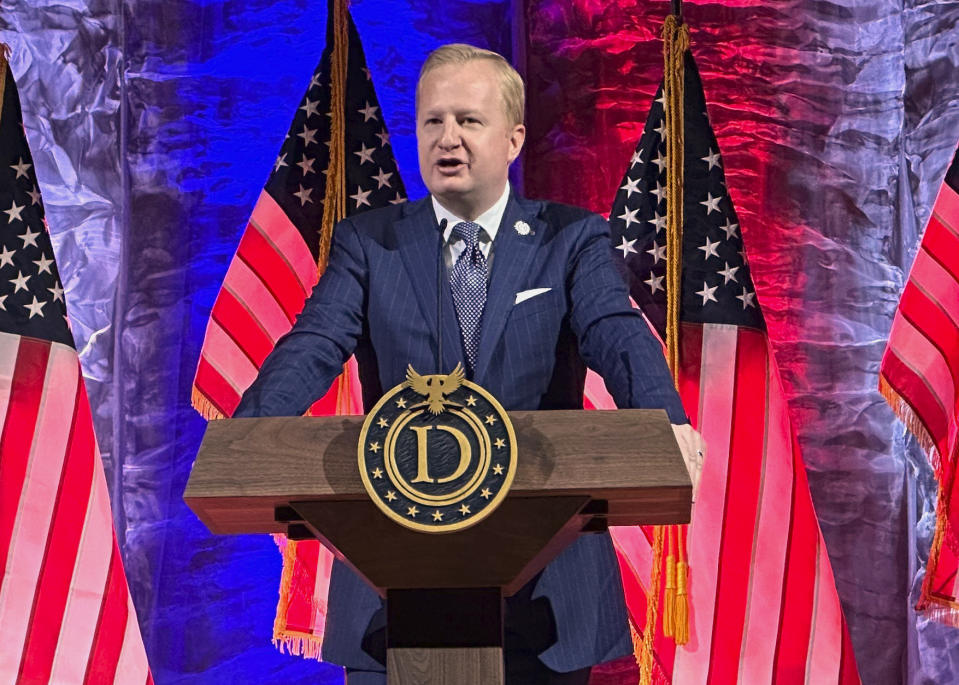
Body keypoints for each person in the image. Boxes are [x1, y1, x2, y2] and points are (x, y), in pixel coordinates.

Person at [235, 43, 703, 685]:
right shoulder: (369, 243)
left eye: (468, 121)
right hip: (392, 594)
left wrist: (667, 422)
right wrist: (248, 436)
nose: (447, 138)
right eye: (433, 121)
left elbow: (614, 332)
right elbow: (315, 342)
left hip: (546, 594)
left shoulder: (570, 238)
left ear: (512, 140)